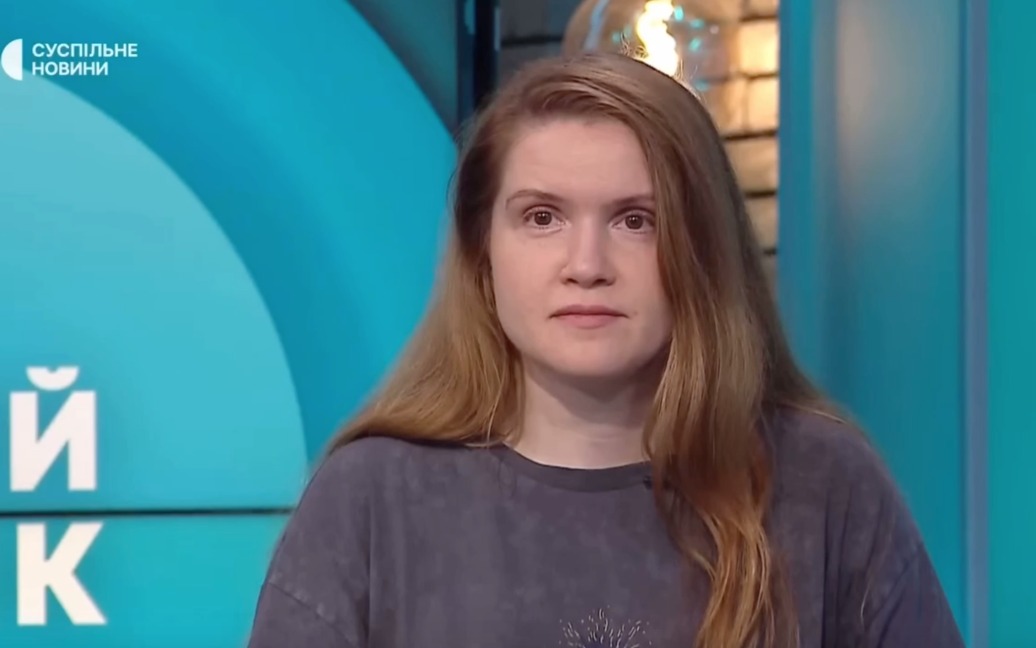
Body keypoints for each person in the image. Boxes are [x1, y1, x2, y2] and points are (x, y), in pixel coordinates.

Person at [245, 51, 964, 647]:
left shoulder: (824, 482)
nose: (586, 265)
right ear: (482, 256)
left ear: (701, 251)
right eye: (542, 217)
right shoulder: (371, 498)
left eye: (635, 220)